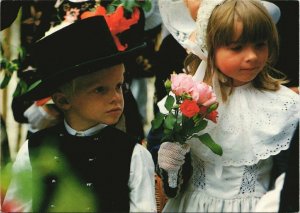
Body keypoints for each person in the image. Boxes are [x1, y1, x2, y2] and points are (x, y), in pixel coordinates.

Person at [156, 0, 299, 212]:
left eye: (260, 44)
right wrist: (171, 156)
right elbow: (170, 186)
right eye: (237, 48)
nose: (251, 56)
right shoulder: (190, 98)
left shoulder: (284, 104)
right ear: (211, 48)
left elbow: (290, 176)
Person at [2, 16, 156, 212]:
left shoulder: (133, 154)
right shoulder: (34, 151)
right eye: (100, 89)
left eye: (119, 86)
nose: (116, 97)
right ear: (63, 101)